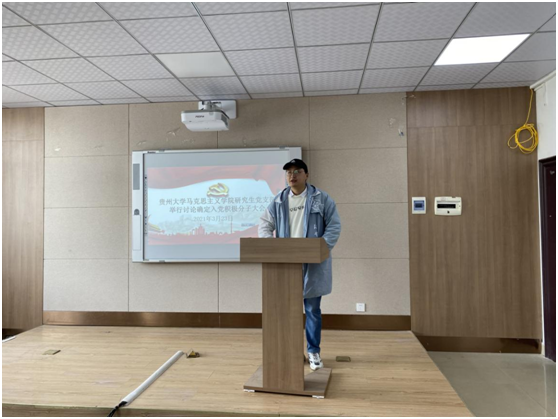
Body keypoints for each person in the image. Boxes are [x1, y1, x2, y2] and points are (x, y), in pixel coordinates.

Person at [258, 158, 341, 371]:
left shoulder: (321, 199)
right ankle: (292, 351)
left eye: (297, 171)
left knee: (312, 310)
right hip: (286, 263)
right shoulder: (278, 200)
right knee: (288, 310)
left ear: (306, 175)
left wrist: (321, 248)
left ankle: (313, 352)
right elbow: (265, 224)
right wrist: (271, 247)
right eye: (288, 172)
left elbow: (334, 226)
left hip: (312, 262)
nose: (292, 176)